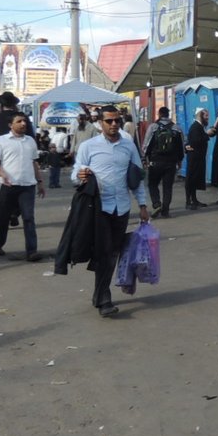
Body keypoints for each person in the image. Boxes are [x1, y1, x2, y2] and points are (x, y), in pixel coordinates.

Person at [69, 105, 150, 317]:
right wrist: (81, 174)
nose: (114, 124)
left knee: (112, 251)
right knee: (104, 252)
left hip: (121, 208)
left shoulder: (128, 146)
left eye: (117, 121)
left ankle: (99, 294)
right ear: (100, 123)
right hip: (97, 208)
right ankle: (104, 298)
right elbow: (75, 173)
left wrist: (142, 205)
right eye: (109, 121)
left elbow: (136, 178)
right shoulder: (89, 146)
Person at [0, 113, 45, 261]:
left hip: (27, 185)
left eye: (24, 121)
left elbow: (34, 163)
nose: (23, 124)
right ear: (10, 125)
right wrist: (2, 174)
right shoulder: (1, 141)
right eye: (19, 121)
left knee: (28, 218)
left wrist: (40, 182)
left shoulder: (30, 141)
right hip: (7, 185)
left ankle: (32, 250)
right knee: (2, 217)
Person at [141, 106, 183, 218]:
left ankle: (156, 203)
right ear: (168, 115)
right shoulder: (176, 128)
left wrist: (144, 158)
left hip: (155, 162)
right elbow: (181, 146)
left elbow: (146, 145)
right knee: (168, 187)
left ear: (159, 114)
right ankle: (166, 211)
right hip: (171, 163)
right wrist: (179, 160)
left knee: (152, 184)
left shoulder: (153, 127)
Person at [184, 108, 209, 210]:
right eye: (206, 116)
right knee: (191, 178)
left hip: (198, 157)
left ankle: (194, 200)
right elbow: (195, 141)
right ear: (200, 115)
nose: (207, 118)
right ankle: (188, 201)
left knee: (195, 179)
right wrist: (207, 135)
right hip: (194, 157)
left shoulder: (199, 126)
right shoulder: (196, 127)